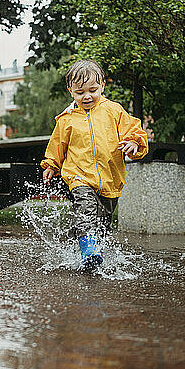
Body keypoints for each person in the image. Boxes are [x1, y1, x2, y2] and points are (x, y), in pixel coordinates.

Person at [41, 59, 148, 271]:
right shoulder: (66, 119)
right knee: (85, 207)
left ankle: (84, 253)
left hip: (110, 179)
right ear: (70, 91)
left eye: (93, 90)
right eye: (80, 92)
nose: (87, 96)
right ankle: (88, 249)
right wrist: (52, 164)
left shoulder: (113, 111)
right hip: (78, 176)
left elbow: (133, 130)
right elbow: (57, 144)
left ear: (102, 86)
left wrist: (135, 142)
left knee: (102, 226)